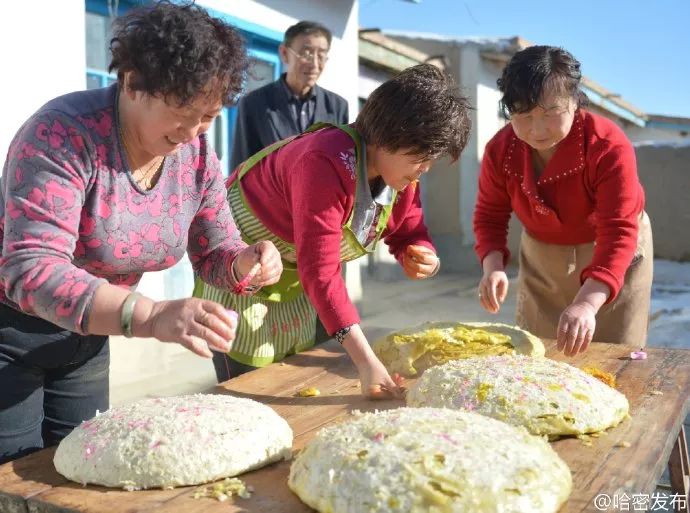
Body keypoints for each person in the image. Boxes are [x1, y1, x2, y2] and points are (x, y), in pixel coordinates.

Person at [0, 1, 282, 464]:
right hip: (11, 333)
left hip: (87, 340)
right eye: (181, 111)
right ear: (133, 83)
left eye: (208, 116)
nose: (192, 132)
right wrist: (149, 316)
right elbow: (32, 269)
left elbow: (216, 248)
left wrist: (245, 261)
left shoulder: (194, 158)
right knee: (14, 479)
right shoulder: (64, 134)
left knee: (83, 468)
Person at [196, 63, 472, 399]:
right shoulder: (323, 161)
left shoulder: (400, 177)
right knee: (248, 392)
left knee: (295, 381)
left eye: (432, 160)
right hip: (242, 268)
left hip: (299, 277)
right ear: (390, 135)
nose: (424, 171)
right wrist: (366, 359)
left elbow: (409, 228)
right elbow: (322, 273)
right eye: (421, 157)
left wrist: (422, 252)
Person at [473, 45, 653, 357]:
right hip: (543, 256)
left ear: (575, 101)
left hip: (613, 252)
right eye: (524, 115)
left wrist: (587, 302)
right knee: (539, 355)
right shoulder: (500, 151)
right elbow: (490, 214)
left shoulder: (607, 145)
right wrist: (492, 267)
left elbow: (619, 230)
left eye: (550, 112)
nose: (537, 128)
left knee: (614, 357)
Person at [229, 20, 349, 169]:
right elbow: (241, 170)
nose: (315, 65)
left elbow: (343, 166)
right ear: (285, 53)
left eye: (321, 56)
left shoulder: (338, 107)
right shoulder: (254, 104)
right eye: (307, 53)